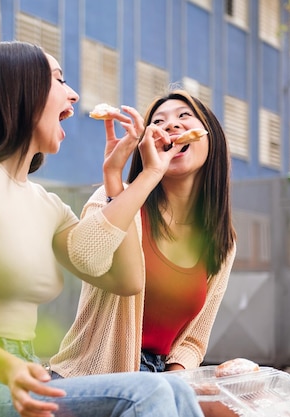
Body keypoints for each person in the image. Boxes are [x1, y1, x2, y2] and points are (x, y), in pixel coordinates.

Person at [0, 41, 205, 417]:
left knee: (172, 391)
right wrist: (9, 367)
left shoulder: (45, 204)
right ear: (19, 90)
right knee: (144, 394)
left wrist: (140, 178)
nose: (74, 93)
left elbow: (127, 280)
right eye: (59, 79)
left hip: (23, 373)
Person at [50, 89, 236, 377]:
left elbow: (193, 342)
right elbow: (86, 256)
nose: (171, 126)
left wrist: (178, 383)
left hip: (161, 378)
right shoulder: (117, 199)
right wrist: (114, 179)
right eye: (159, 122)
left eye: (184, 116)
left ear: (211, 137)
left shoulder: (222, 240)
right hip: (89, 376)